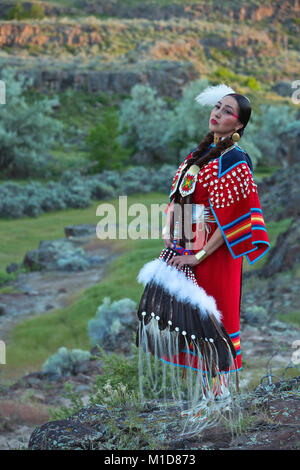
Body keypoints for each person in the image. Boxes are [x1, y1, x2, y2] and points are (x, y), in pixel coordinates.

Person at [160, 85, 270, 417]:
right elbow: (182, 197)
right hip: (187, 246)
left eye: (226, 112)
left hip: (214, 256)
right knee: (192, 321)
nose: (218, 114)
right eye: (217, 107)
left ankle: (217, 401)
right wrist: (171, 232)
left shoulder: (235, 159)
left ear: (238, 126)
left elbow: (234, 217)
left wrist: (198, 255)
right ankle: (204, 400)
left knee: (214, 319)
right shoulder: (200, 154)